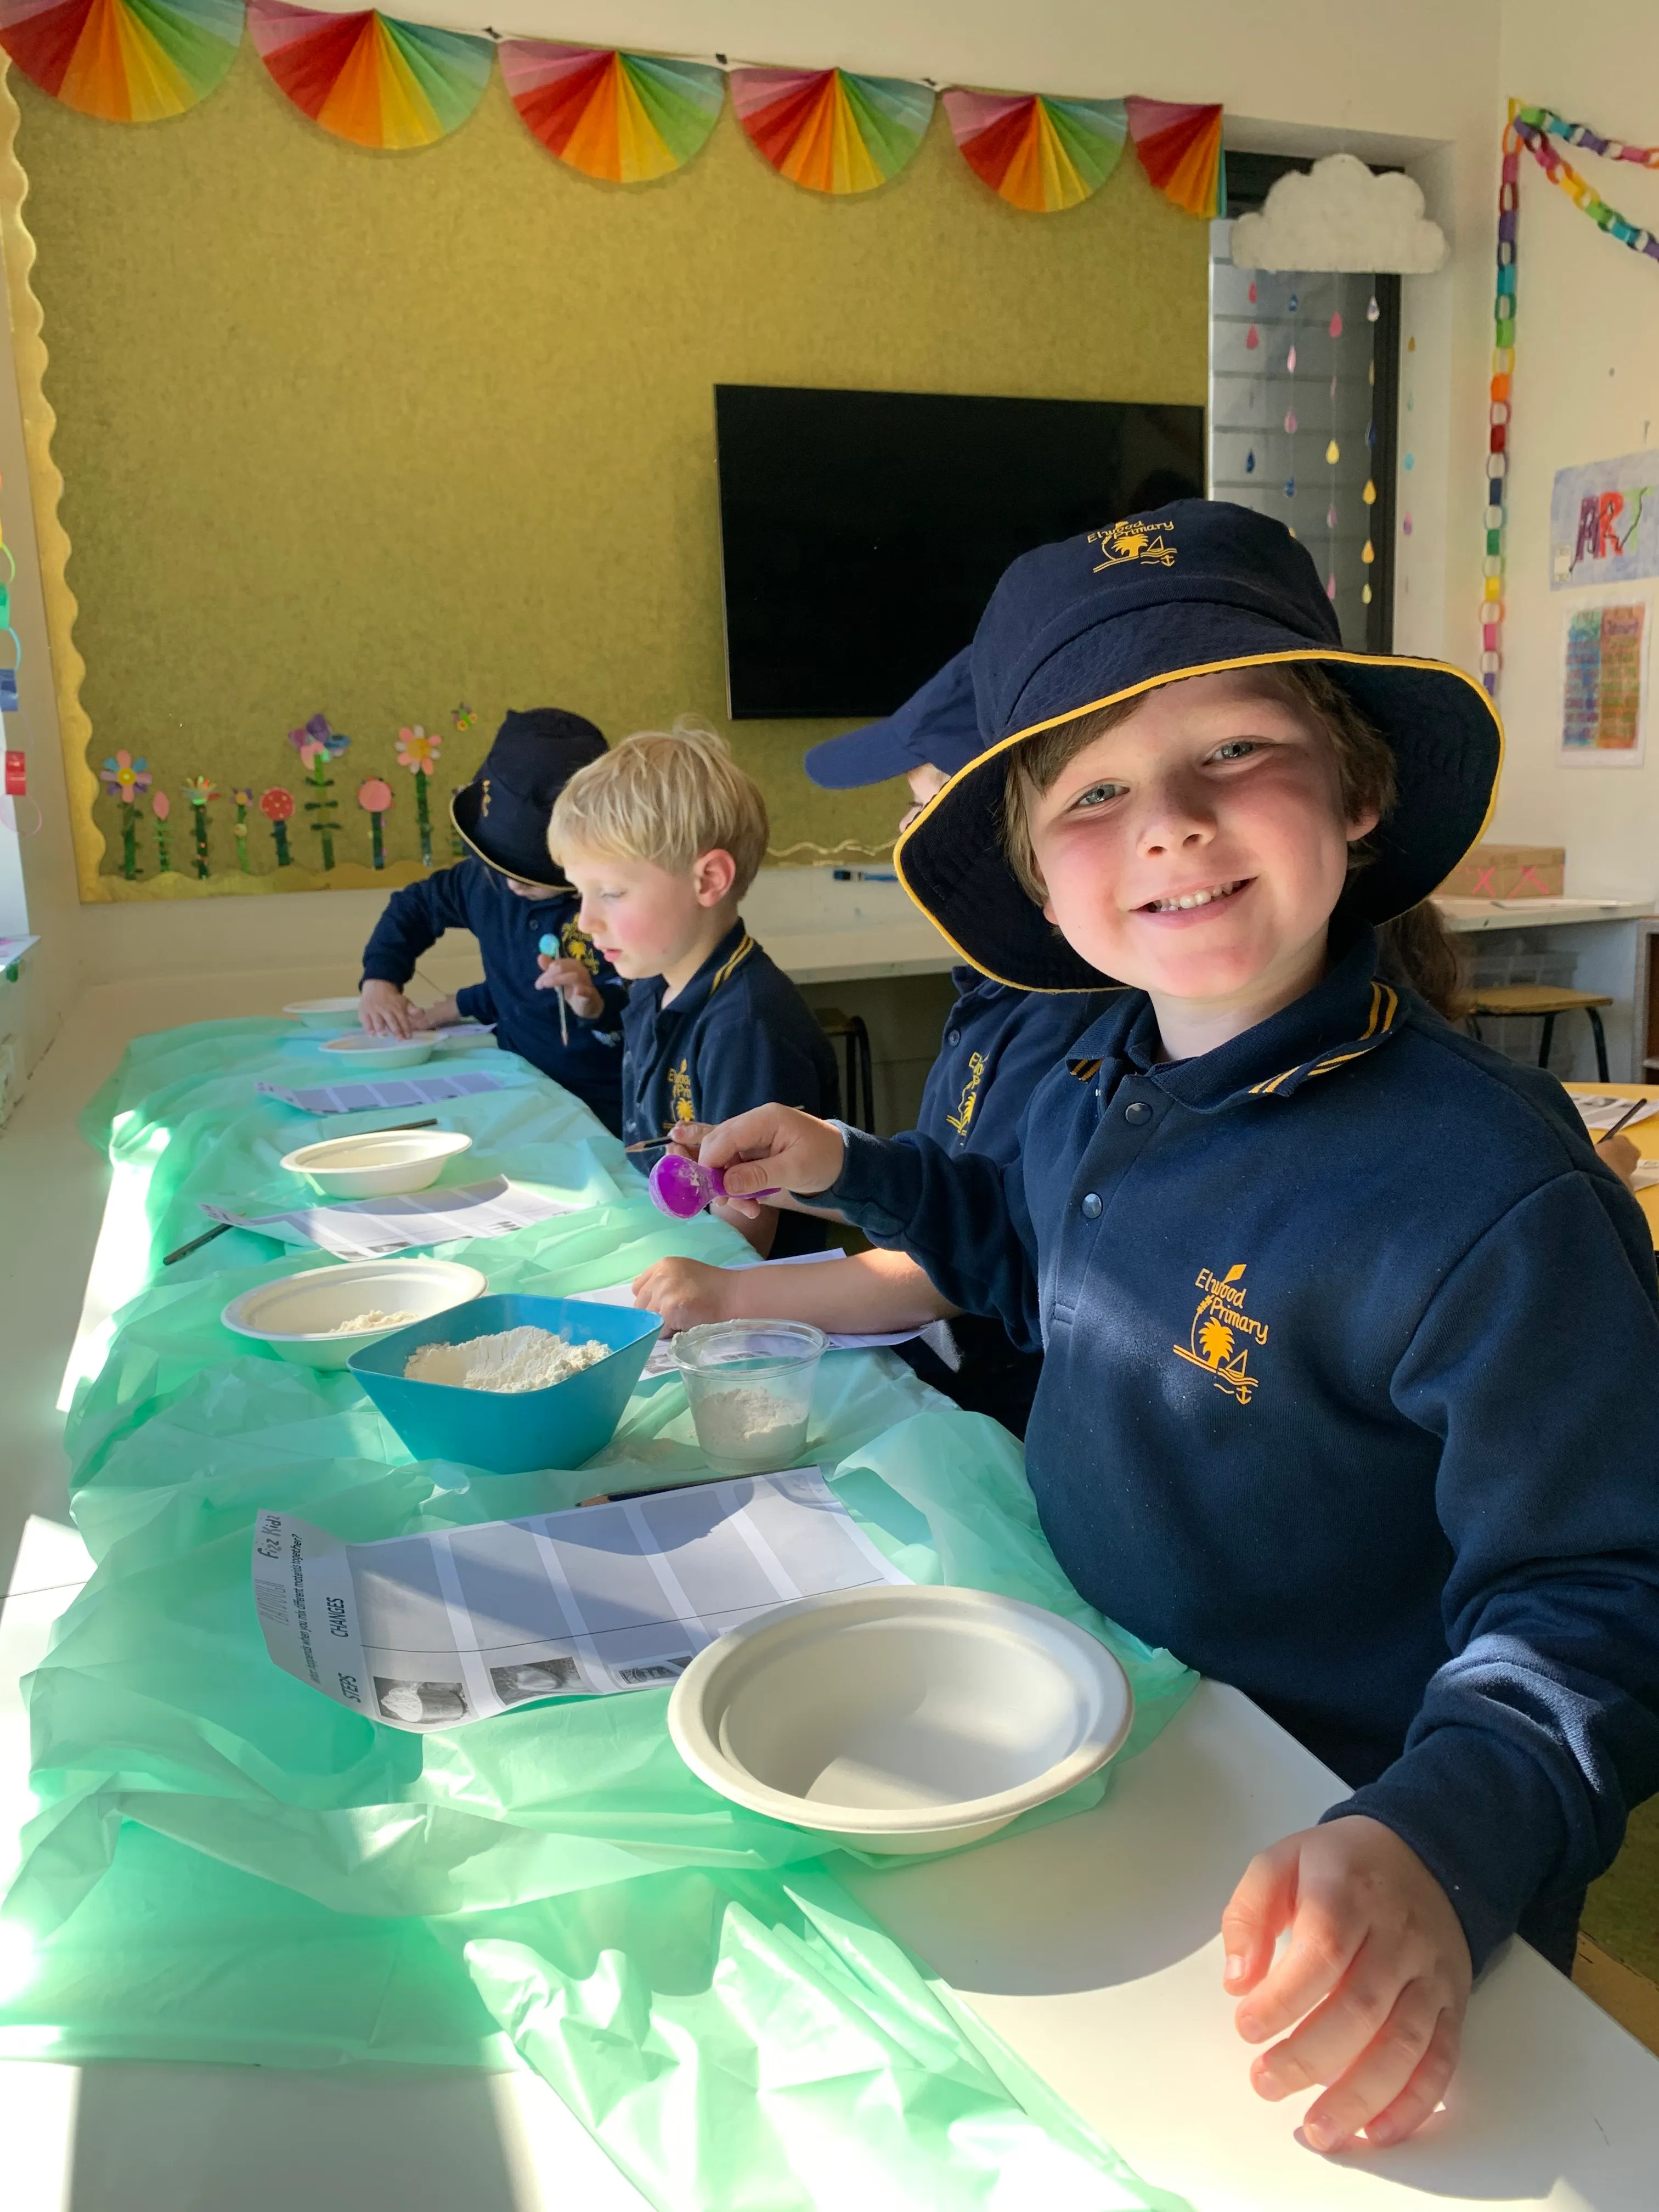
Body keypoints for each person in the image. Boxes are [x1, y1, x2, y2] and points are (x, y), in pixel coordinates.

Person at [674, 501, 1659, 2155]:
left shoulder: (1492, 1194)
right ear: (1040, 879)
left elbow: (1603, 1591)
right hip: (1091, 1750)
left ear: (1357, 789)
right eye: (1100, 791)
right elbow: (1019, 1244)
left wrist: (1441, 1840)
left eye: (1235, 748)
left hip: (1351, 1870)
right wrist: (860, 1167)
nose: (1173, 823)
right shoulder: (1086, 1077)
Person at [634, 651, 1107, 1436]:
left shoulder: (1064, 1017)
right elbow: (940, 1198)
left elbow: (948, 1271)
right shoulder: (991, 996)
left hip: (994, 1417)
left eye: (926, 803)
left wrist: (728, 1297)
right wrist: (807, 1168)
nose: (903, 829)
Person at [544, 718, 839, 1256]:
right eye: (580, 894)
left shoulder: (746, 1030)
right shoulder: (652, 988)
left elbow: (743, 1236)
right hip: (665, 1243)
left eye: (609, 893)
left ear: (707, 881)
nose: (585, 921)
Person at [357, 709, 630, 1131]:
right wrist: (380, 982)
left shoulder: (613, 905)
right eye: (499, 868)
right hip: (520, 1086)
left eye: (533, 877)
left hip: (609, 1103)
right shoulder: (482, 883)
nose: (513, 886)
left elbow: (644, 1005)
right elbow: (414, 909)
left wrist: (596, 1005)